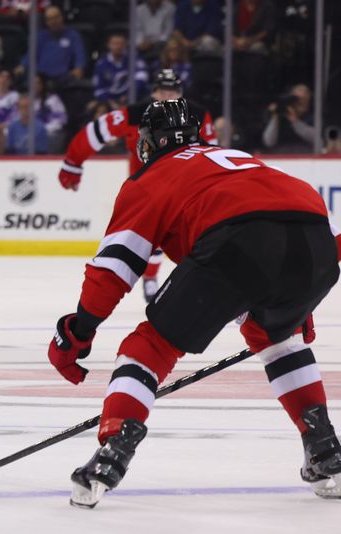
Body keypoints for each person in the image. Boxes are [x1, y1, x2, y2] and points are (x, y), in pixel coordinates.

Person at [48, 98, 341, 507]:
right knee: (278, 335)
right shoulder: (235, 155)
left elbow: (113, 270)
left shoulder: (150, 177)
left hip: (239, 241)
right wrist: (297, 301)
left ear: (149, 142)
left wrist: (78, 331)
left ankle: (116, 444)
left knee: (149, 346)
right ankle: (324, 444)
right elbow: (308, 226)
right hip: (317, 242)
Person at [58, 69, 217, 302]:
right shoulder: (134, 114)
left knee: (187, 238)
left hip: (183, 187)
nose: (168, 95)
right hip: (145, 190)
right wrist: (73, 162)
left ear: (180, 93)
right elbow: (96, 131)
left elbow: (212, 150)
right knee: (146, 238)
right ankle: (146, 280)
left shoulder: (198, 114)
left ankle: (175, 282)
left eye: (172, 90)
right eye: (163, 90)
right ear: (154, 92)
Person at [15, 5, 86, 85]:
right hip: (41, 78)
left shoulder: (73, 36)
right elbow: (30, 55)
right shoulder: (41, 37)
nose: (54, 21)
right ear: (46, 22)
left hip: (64, 78)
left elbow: (80, 56)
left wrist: (79, 68)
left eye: (56, 17)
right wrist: (22, 65)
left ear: (62, 17)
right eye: (50, 19)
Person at [92, 32, 149, 110]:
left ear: (126, 44)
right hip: (110, 102)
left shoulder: (134, 57)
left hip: (135, 99)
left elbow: (142, 78)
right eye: (115, 44)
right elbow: (99, 90)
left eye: (121, 44)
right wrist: (110, 102)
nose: (118, 47)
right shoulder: (101, 64)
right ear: (108, 45)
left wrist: (128, 96)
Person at [261, 84, 315, 153]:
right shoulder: (281, 117)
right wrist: (275, 117)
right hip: (280, 157)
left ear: (308, 100)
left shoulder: (314, 116)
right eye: (296, 100)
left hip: (306, 157)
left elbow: (317, 140)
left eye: (303, 99)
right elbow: (268, 142)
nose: (300, 103)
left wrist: (295, 121)